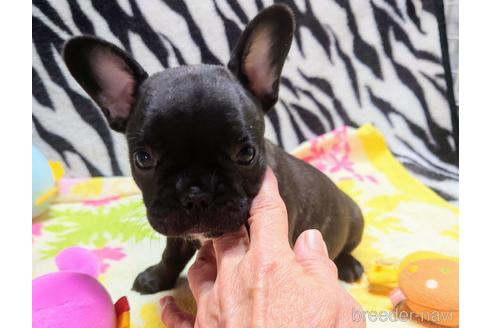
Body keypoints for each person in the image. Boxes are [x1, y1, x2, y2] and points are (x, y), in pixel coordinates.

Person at [161, 168, 366, 327]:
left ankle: (342, 254)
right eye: (145, 159)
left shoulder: (271, 197)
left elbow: (274, 276)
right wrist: (166, 270)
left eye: (243, 154)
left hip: (340, 227)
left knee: (354, 219)